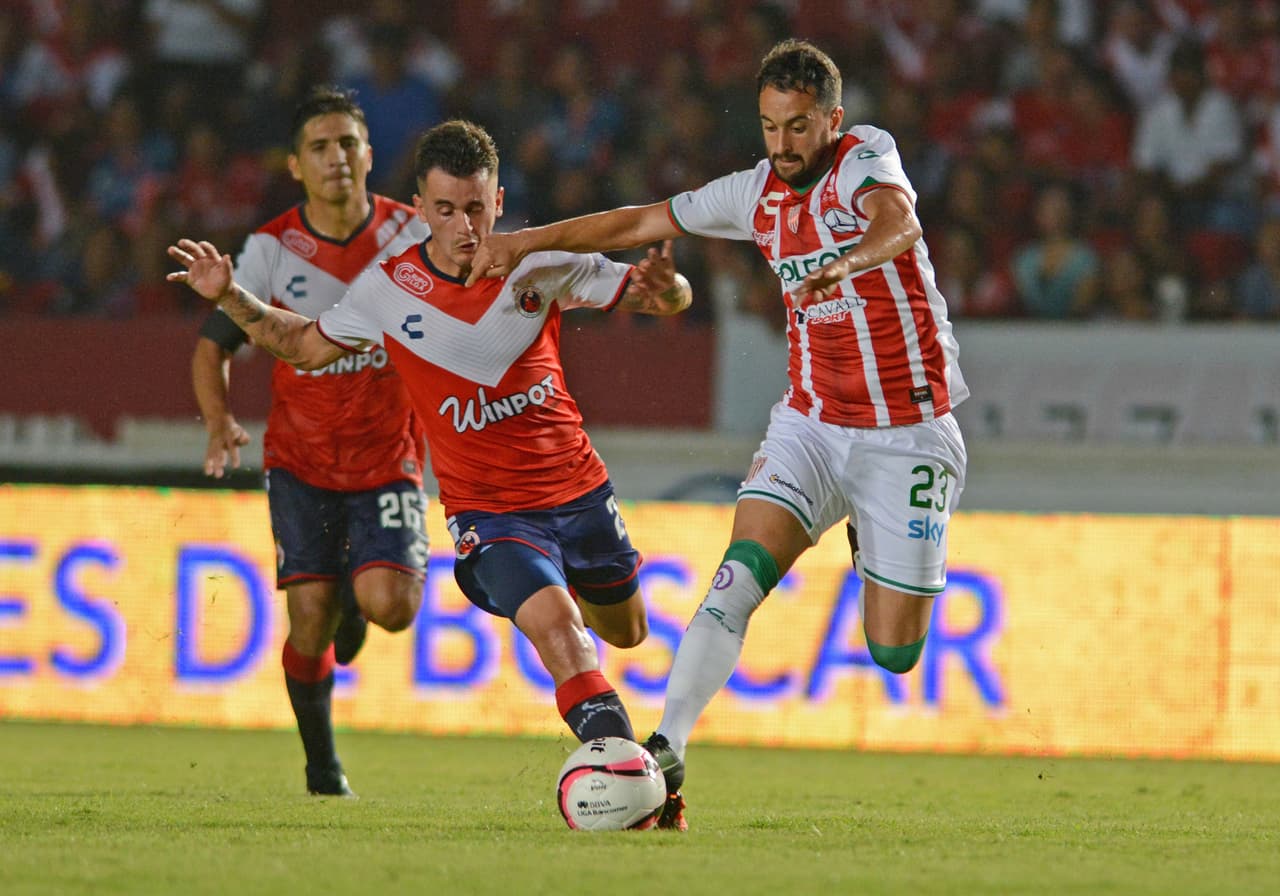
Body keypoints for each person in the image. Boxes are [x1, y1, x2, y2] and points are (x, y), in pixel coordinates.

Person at [467, 38, 969, 831]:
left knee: (895, 652)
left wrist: (848, 264)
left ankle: (871, 541)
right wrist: (522, 243)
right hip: (810, 423)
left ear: (832, 121)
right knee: (733, 585)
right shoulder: (753, 192)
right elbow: (639, 219)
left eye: (800, 127)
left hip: (905, 433)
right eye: (771, 127)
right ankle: (665, 749)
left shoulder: (867, 158)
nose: (783, 145)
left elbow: (898, 223)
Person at [171, 118, 693, 795]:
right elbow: (301, 344)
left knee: (625, 631)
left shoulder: (540, 263)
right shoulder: (387, 290)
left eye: (476, 207)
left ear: (498, 201)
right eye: (445, 210)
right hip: (492, 513)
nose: (463, 225)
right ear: (420, 210)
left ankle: (620, 751)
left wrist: (668, 288)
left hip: (579, 490)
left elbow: (665, 298)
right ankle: (633, 779)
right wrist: (230, 297)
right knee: (561, 632)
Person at [189, 86, 429, 799]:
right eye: (319, 148)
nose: (336, 160)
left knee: (392, 607)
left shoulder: (413, 236)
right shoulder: (268, 251)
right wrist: (217, 420)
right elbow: (213, 349)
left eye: (347, 144)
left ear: (369, 155)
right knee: (308, 618)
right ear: (295, 166)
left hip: (387, 456)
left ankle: (362, 596)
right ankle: (323, 770)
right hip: (302, 460)